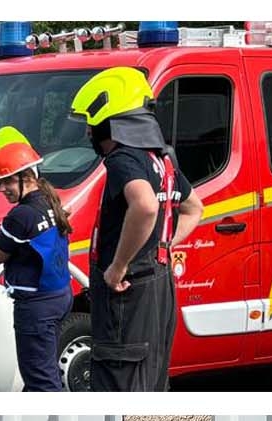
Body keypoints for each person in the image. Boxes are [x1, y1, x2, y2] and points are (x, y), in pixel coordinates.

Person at [68, 66, 203, 390]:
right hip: (157, 284)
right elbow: (193, 207)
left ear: (110, 121)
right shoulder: (162, 160)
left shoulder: (123, 159)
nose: (89, 132)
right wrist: (161, 244)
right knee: (150, 383)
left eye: (91, 123)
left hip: (128, 292)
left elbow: (144, 205)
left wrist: (118, 267)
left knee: (121, 384)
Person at [0, 136, 73, 390]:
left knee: (40, 382)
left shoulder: (21, 215)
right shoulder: (49, 200)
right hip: (59, 297)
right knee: (46, 371)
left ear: (27, 177)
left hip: (36, 307)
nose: (2, 188)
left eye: (7, 181)